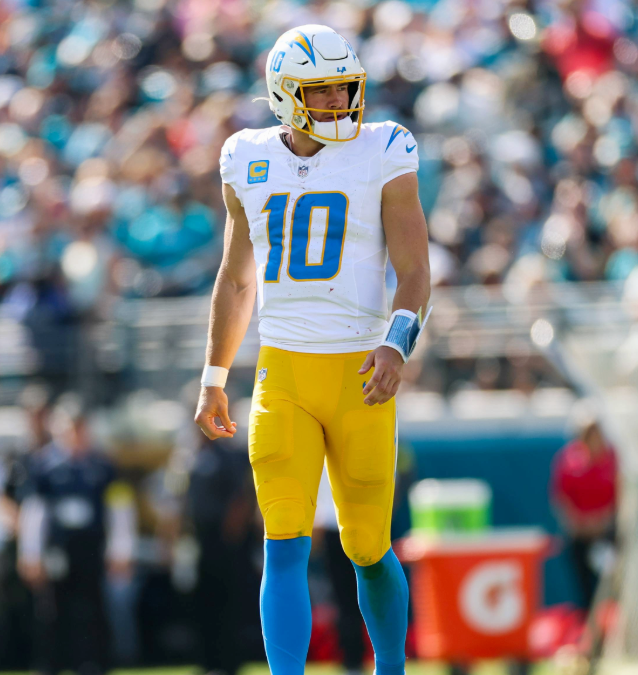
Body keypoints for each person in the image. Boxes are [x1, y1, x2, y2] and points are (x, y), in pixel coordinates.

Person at [192, 24, 431, 675]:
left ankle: (390, 668)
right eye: (321, 93)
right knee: (286, 539)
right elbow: (237, 276)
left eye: (343, 90)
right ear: (285, 94)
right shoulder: (245, 155)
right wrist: (214, 374)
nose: (336, 104)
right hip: (285, 373)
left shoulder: (384, 148)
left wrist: (396, 343)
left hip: (360, 373)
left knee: (368, 545)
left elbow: (414, 270)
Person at [17, 396, 127, 675]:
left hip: (91, 548)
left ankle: (94, 666)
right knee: (52, 613)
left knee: (94, 612)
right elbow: (34, 511)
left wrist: (121, 550)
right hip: (57, 550)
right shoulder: (44, 465)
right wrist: (30, 553)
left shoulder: (103, 466)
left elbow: (119, 509)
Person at [186, 432, 259, 675]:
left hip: (226, 543)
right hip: (202, 541)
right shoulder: (192, 455)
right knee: (205, 606)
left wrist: (231, 536)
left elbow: (241, 498)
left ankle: (230, 663)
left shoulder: (230, 455)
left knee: (230, 607)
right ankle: (208, 663)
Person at [550, 407, 619, 609]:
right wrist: (581, 524)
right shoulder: (569, 461)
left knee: (610, 587)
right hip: (579, 536)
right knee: (585, 590)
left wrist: (602, 522)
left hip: (607, 535)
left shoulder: (613, 459)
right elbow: (561, 498)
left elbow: (621, 496)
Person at [314, 471, 365, 675]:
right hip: (345, 525)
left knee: (351, 600)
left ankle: (356, 660)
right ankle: (354, 659)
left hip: (347, 525)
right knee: (349, 601)